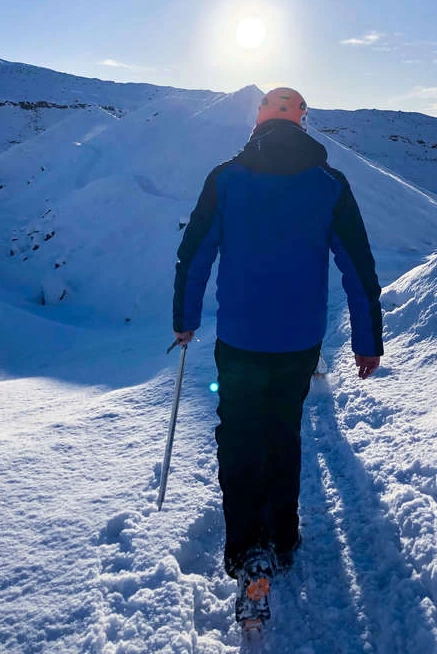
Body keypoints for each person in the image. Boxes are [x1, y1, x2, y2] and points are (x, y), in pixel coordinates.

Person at [172, 87, 383, 621]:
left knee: (239, 438)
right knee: (283, 432)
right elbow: (358, 267)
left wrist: (185, 320)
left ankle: (247, 550)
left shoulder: (225, 179)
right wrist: (367, 341)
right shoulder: (329, 184)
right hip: (298, 344)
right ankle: (283, 541)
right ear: (302, 124)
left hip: (239, 340)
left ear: (259, 123)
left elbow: (194, 255)